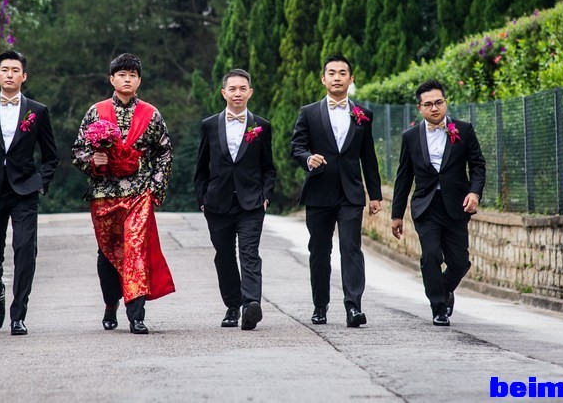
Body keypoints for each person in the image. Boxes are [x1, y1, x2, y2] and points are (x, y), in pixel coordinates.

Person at [71, 53, 175, 335]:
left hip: (138, 192)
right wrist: (93, 161)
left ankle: (136, 315)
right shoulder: (96, 112)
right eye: (122, 75)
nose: (127, 79)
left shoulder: (152, 114)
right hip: (104, 194)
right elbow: (77, 150)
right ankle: (110, 302)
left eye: (132, 75)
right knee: (107, 254)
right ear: (112, 79)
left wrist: (155, 188)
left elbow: (164, 153)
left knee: (135, 250)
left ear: (139, 81)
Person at [0, 50, 59, 336]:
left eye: (15, 70)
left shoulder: (37, 111)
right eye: (5, 70)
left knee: (25, 249)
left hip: (24, 190)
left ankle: (19, 315)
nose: (9, 74)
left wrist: (39, 182)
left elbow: (51, 156)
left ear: (23, 76)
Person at [291, 54, 382, 328]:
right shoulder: (308, 113)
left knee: (351, 248)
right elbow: (296, 147)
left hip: (351, 193)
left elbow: (368, 157)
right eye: (332, 73)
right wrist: (308, 158)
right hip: (319, 192)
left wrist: (375, 195)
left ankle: (354, 307)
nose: (337, 77)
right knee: (319, 251)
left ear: (351, 79)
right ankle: (320, 305)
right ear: (323, 79)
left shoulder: (363, 115)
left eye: (343, 73)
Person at [391, 79, 486, 327]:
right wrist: (396, 215)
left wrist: (474, 193)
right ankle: (438, 307)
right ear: (420, 108)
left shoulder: (463, 130)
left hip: (456, 205)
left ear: (445, 102)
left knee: (460, 262)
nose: (434, 108)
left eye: (439, 102)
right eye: (428, 104)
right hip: (426, 206)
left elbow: (477, 165)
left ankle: (443, 290)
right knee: (431, 255)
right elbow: (403, 177)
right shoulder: (410, 137)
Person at [194, 69, 276, 330]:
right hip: (217, 204)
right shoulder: (209, 125)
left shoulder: (261, 126)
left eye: (242, 88)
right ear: (223, 93)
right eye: (232, 89)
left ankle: (251, 305)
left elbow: (268, 167)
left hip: (251, 203)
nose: (237, 93)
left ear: (250, 92)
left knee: (249, 253)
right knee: (225, 256)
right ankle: (232, 306)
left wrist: (266, 196)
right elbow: (201, 167)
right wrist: (203, 199)